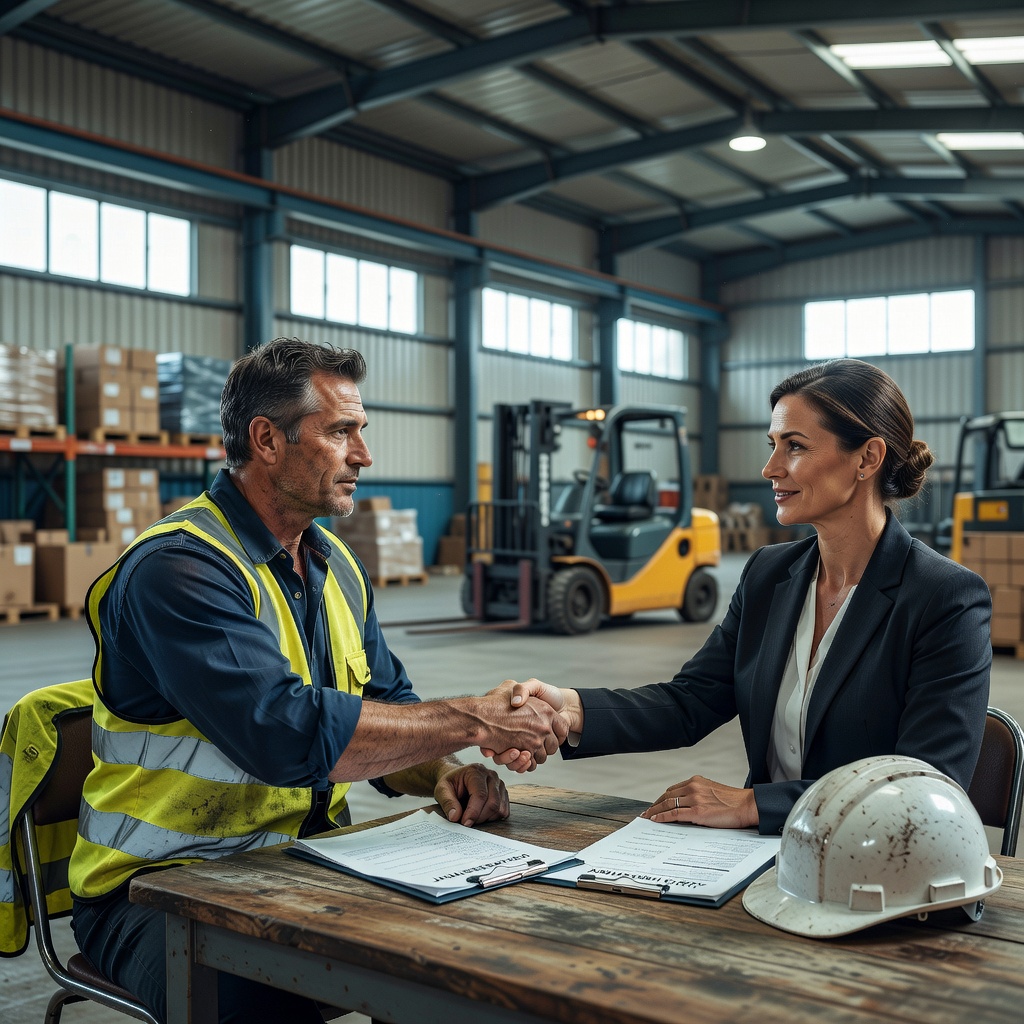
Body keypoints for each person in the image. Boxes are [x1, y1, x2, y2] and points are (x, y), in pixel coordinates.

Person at [68, 337, 566, 1024]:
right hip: (159, 890)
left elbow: (385, 705)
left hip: (298, 866)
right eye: (341, 432)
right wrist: (478, 719)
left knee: (461, 963)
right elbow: (284, 732)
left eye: (361, 432)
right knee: (264, 1002)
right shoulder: (178, 570)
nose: (364, 455)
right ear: (266, 440)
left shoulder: (334, 566)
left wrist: (443, 768)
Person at [489, 358, 991, 836]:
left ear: (867, 458)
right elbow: (692, 700)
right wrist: (569, 709)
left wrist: (753, 804)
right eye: (772, 444)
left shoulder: (944, 598)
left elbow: (925, 786)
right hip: (760, 854)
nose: (771, 468)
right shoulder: (768, 576)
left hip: (873, 869)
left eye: (794, 446)